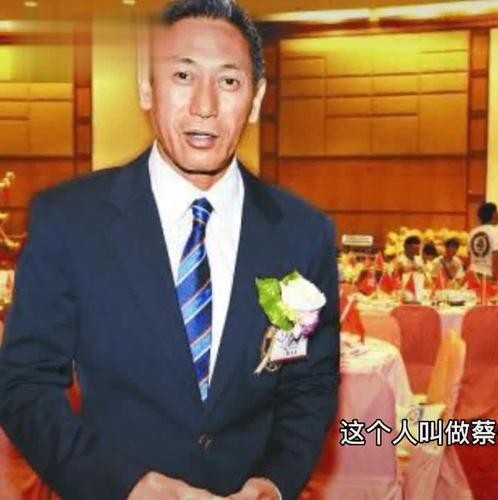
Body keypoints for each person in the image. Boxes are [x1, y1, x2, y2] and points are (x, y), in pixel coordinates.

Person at [0, 1, 340, 499]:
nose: (205, 105)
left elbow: (310, 384)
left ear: (257, 98)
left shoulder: (302, 234)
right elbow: (24, 383)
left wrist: (273, 482)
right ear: (147, 87)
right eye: (183, 75)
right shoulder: (70, 221)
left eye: (229, 81)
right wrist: (124, 485)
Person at [468, 202, 498, 282]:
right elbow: (496, 255)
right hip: (487, 276)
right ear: (494, 215)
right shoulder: (497, 231)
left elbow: (470, 257)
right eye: (497, 212)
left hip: (472, 275)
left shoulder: (472, 232)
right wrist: (495, 279)